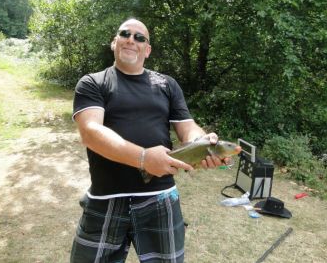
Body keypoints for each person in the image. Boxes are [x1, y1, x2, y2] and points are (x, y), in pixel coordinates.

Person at [70, 18, 227, 263]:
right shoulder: (92, 83)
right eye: (125, 34)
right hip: (105, 199)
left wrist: (203, 143)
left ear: (148, 49)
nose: (131, 39)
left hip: (161, 197)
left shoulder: (167, 85)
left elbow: (188, 129)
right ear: (115, 42)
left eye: (140, 37)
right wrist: (143, 158)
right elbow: (91, 132)